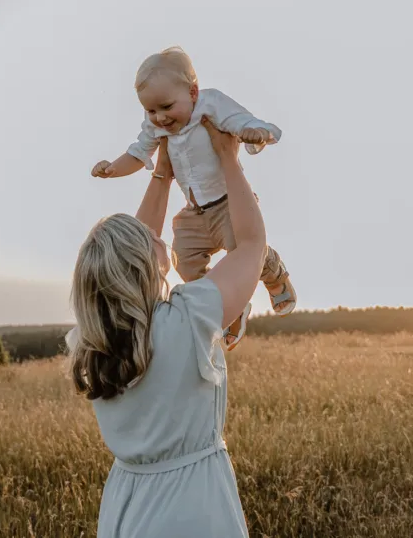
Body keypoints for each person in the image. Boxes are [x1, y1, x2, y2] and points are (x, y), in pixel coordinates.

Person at [68, 117, 266, 537]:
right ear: (146, 265)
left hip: (126, 507)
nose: (158, 237)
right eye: (150, 242)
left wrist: (163, 171)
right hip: (194, 505)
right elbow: (250, 246)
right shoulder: (188, 319)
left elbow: (132, 249)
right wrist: (230, 160)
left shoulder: (91, 343)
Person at [90, 45, 295, 348]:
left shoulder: (211, 105)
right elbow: (138, 152)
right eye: (150, 111)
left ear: (194, 92)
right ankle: (227, 304)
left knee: (245, 252)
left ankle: (274, 273)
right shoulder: (156, 127)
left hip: (229, 204)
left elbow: (242, 120)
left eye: (166, 107)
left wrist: (256, 133)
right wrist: (112, 169)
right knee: (182, 262)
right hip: (193, 212)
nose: (159, 118)